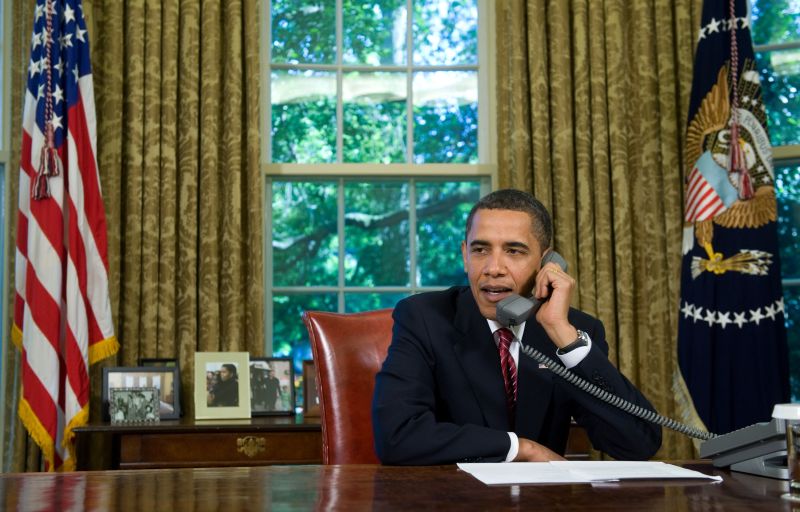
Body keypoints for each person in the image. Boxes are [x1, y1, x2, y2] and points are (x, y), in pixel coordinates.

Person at [372, 189, 662, 464]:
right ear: (464, 255)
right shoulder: (423, 317)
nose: (493, 267)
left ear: (547, 263)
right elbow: (397, 436)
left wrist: (564, 336)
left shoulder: (574, 330)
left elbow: (638, 444)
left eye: (514, 251)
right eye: (481, 249)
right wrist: (521, 448)